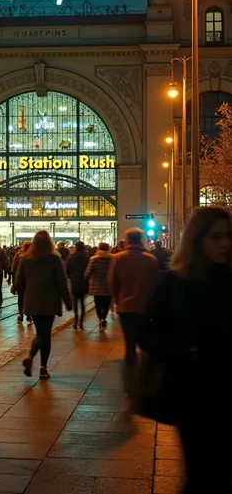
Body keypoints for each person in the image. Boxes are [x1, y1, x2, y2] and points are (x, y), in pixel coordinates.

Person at [139, 206, 232, 493]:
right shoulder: (176, 282)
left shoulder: (228, 280)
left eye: (228, 236)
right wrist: (181, 350)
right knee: (203, 474)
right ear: (197, 238)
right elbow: (145, 330)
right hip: (192, 394)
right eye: (216, 236)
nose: (225, 243)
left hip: (227, 391)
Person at [108, 228, 159, 394]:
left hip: (126, 307)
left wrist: (116, 299)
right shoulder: (151, 259)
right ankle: (145, 378)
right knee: (145, 344)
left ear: (128, 240)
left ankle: (130, 381)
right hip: (146, 308)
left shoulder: (118, 258)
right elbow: (156, 284)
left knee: (129, 345)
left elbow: (112, 281)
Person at [15, 231, 72, 379]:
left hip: (32, 302)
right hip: (49, 301)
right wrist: (67, 302)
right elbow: (62, 282)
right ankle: (42, 368)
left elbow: (19, 281)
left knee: (40, 332)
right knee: (45, 334)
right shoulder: (54, 258)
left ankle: (30, 356)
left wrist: (19, 290)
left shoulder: (26, 258)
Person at [84, 242, 112, 330]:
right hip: (108, 286)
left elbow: (87, 273)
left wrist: (88, 279)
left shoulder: (94, 259)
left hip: (96, 287)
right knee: (106, 305)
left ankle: (100, 318)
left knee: (98, 305)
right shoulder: (112, 259)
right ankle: (103, 318)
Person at [66, 241, 89, 329]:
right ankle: (81, 322)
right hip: (84, 282)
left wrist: (71, 276)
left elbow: (67, 270)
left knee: (75, 303)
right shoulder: (86, 258)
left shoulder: (71, 258)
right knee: (83, 303)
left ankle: (75, 320)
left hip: (74, 282)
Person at [11, 241, 32, 324]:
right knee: (29, 297)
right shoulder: (32, 254)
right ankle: (28, 315)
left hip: (20, 279)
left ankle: (20, 313)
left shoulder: (18, 254)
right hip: (29, 280)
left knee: (20, 297)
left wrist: (14, 282)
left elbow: (13, 267)